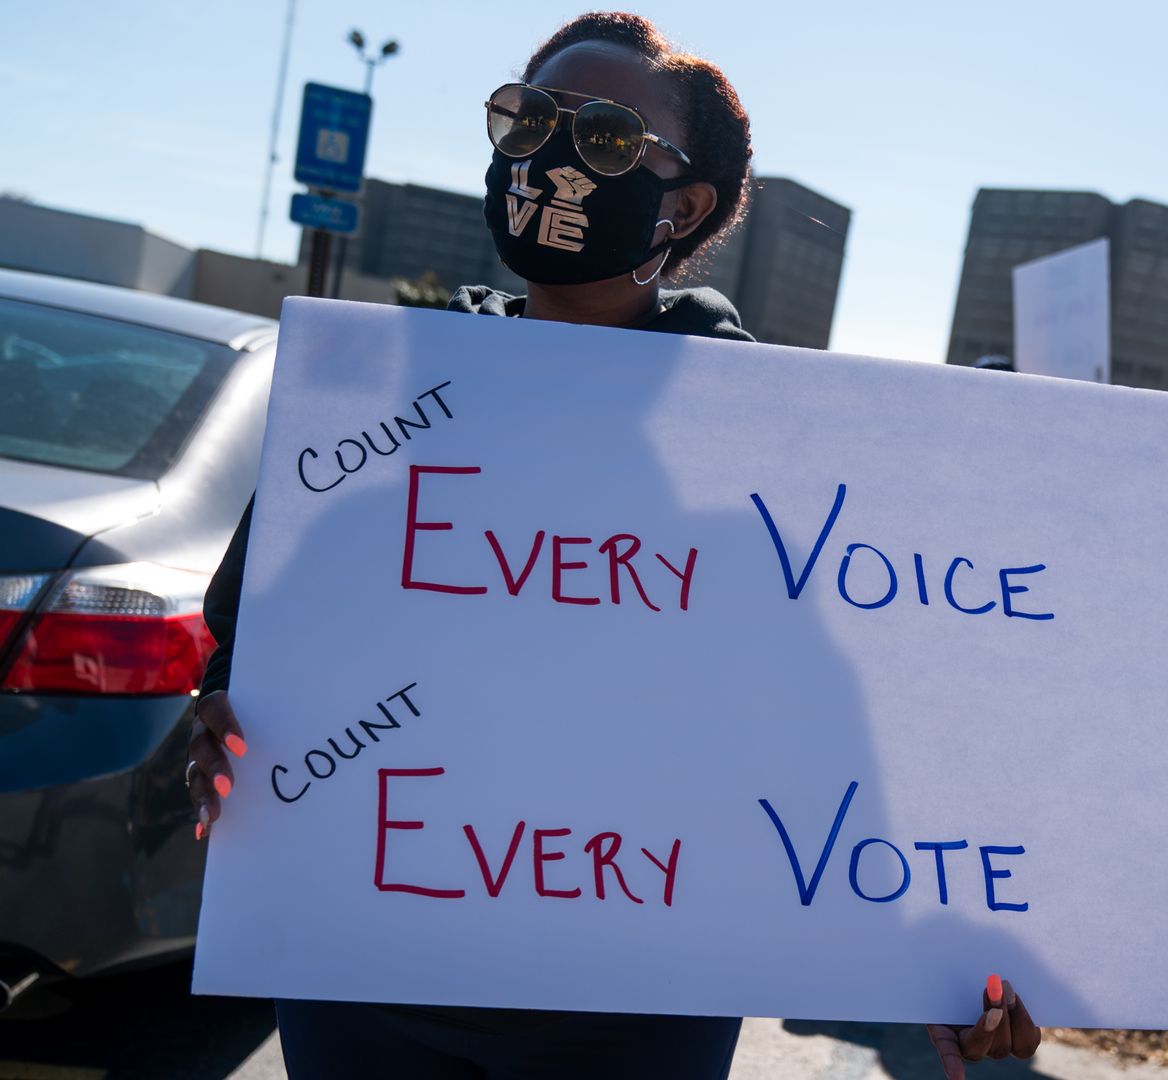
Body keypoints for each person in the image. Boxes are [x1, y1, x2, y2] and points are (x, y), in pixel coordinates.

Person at [182, 13, 1039, 1079]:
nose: (545, 156)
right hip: (364, 979)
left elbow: (860, 723)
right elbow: (254, 629)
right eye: (525, 120)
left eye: (602, 138)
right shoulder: (389, 411)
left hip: (633, 1006)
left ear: (684, 205)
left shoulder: (773, 452)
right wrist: (224, 718)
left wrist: (945, 956)